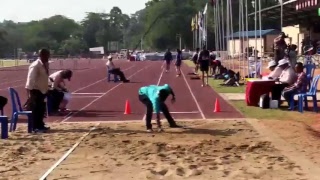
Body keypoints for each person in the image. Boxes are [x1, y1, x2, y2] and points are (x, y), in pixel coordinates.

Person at [25, 49, 50, 132]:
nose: (48, 57)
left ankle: (40, 124)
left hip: (42, 90)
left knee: (41, 109)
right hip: (35, 90)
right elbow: (30, 79)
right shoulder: (35, 65)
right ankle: (35, 127)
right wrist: (29, 94)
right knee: (36, 109)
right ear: (42, 55)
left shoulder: (45, 64)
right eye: (47, 55)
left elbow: (44, 77)